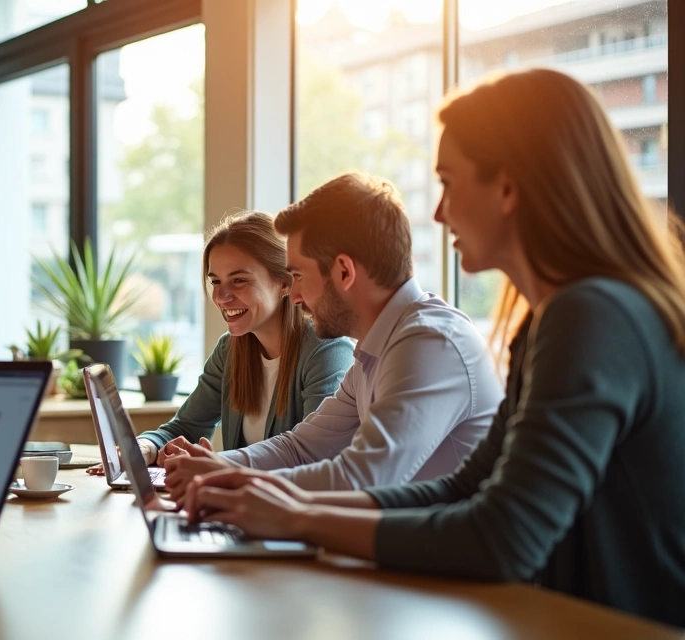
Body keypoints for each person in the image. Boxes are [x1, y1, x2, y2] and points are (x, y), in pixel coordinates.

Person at [185, 68, 685, 627]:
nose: (440, 211)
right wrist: (279, 502)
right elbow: (468, 488)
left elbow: (503, 536)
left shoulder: (589, 316)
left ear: (508, 188)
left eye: (448, 182)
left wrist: (297, 517)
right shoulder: (551, 321)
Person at [162, 173, 502, 500]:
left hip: (437, 541)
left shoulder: (428, 343)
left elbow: (362, 478)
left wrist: (230, 480)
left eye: (298, 276)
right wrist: (217, 465)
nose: (295, 296)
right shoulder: (374, 352)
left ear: (343, 271)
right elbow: (301, 448)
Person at [88, 211, 354, 479]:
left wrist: (213, 463)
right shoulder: (230, 350)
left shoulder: (326, 350)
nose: (221, 296)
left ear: (284, 283)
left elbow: (313, 455)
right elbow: (186, 427)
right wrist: (143, 448)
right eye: (215, 281)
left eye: (239, 280)